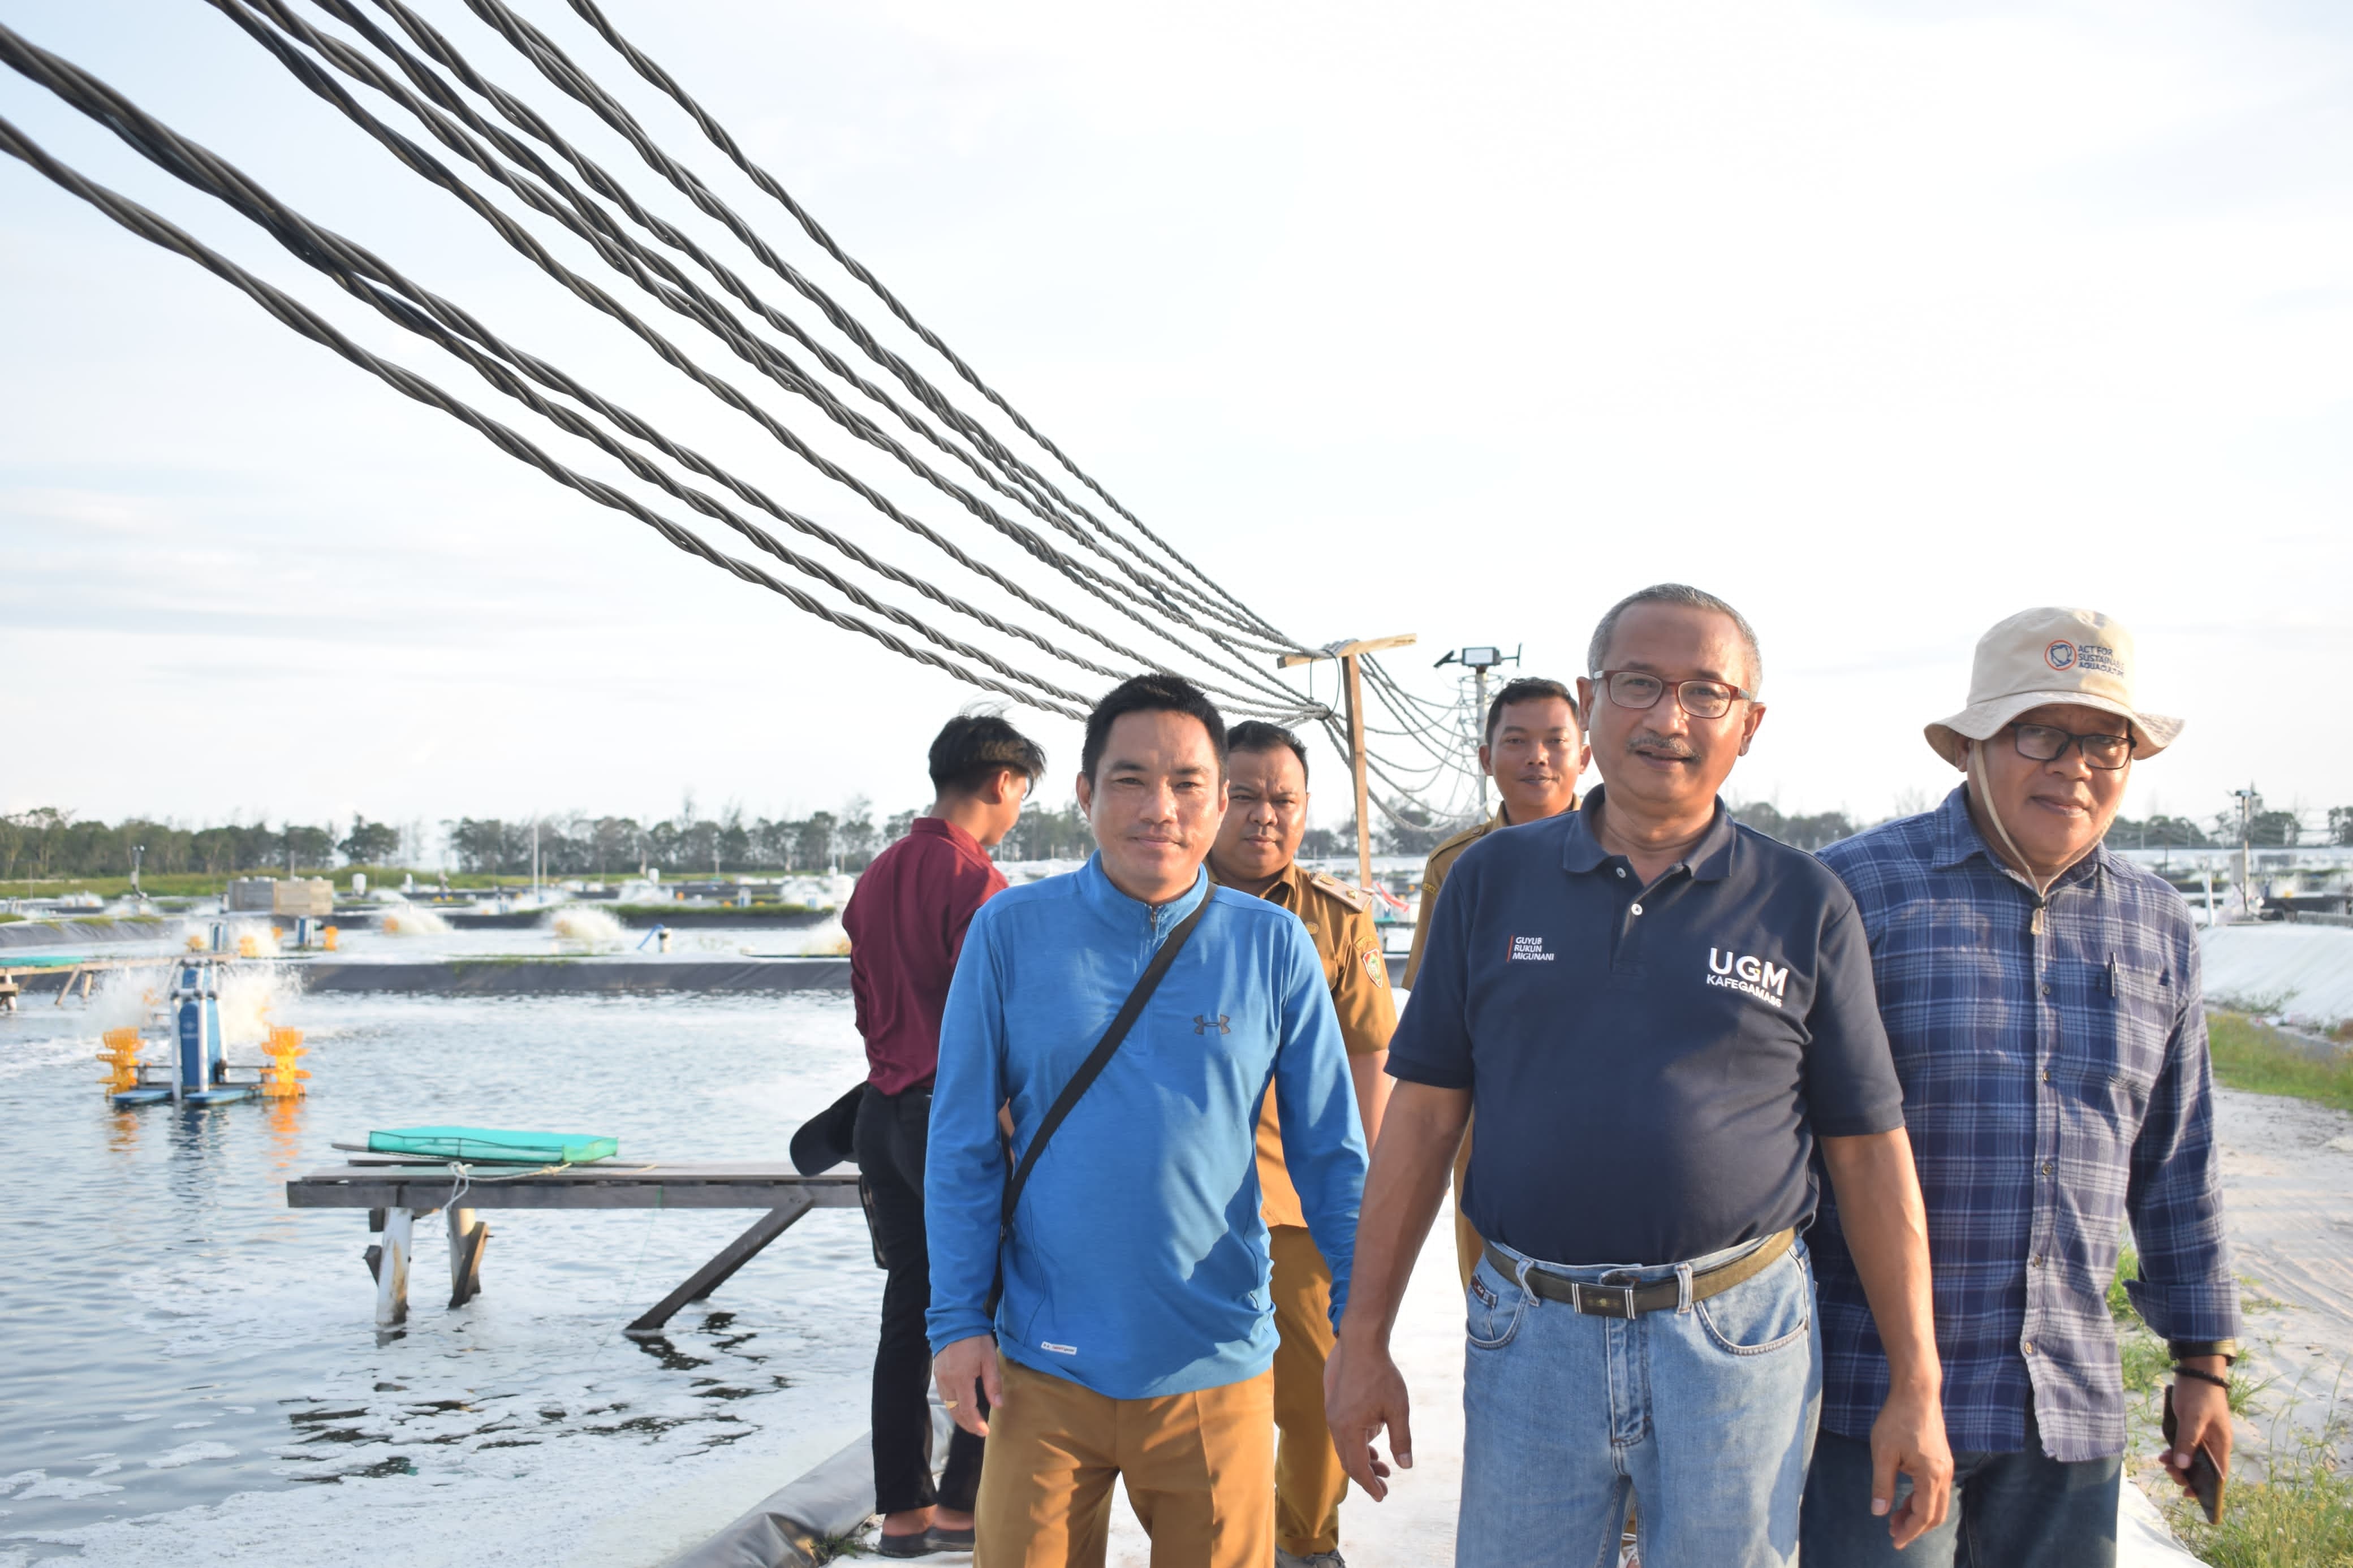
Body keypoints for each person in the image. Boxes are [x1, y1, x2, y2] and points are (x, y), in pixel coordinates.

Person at [1327, 583, 1952, 1567]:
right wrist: (1362, 1337)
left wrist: (1919, 1385)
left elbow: (1870, 1153)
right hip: (1532, 1332)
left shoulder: (1804, 901)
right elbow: (1422, 1121)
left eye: (1707, 692)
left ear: (1749, 723)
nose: (1669, 716)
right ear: (1591, 702)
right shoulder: (1490, 883)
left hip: (1739, 1343)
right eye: (1639, 683)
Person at [1802, 607, 2240, 1567]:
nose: (2074, 765)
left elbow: (2178, 1159)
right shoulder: (1853, 893)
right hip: (1874, 1395)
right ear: (1974, 746)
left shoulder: (2158, 924)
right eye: (2039, 732)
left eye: (2105, 740)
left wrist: (2202, 1361)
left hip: (2068, 1408)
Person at [928, 674, 1369, 1568]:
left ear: (1218, 800)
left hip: (1214, 1363)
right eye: (1129, 780)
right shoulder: (1009, 934)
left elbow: (1332, 1155)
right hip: (1043, 1367)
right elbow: (964, 1145)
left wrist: (1362, 1327)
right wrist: (955, 1322)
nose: (1159, 808)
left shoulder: (1273, 944)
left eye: (1188, 784)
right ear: (1087, 794)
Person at [839, 711, 1044, 1558]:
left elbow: (863, 999)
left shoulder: (879, 873)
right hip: (948, 1122)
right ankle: (964, 1506)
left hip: (879, 1113)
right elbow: (988, 1031)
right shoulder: (978, 885)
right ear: (1002, 783)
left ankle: (902, 1514)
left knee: (906, 1313)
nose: (1019, 810)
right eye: (1023, 793)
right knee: (983, 1305)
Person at [1207, 720, 1397, 1568]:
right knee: (1200, 1403)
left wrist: (1369, 1206)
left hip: (1297, 1202)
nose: (1263, 816)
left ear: (1307, 808)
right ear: (1209, 798)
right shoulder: (1157, 903)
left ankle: (1308, 1543)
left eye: (1282, 799)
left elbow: (1370, 1062)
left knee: (1318, 1395)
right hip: (1187, 1204)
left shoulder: (1336, 921)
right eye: (1243, 796)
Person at [1403, 677, 1587, 1289]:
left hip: (1599, 1117)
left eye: (1555, 741)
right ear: (1486, 759)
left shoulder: (1632, 856)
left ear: (1584, 754)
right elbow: (1435, 1024)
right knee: (1494, 1299)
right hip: (1491, 1128)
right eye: (1516, 740)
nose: (1536, 756)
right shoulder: (1454, 867)